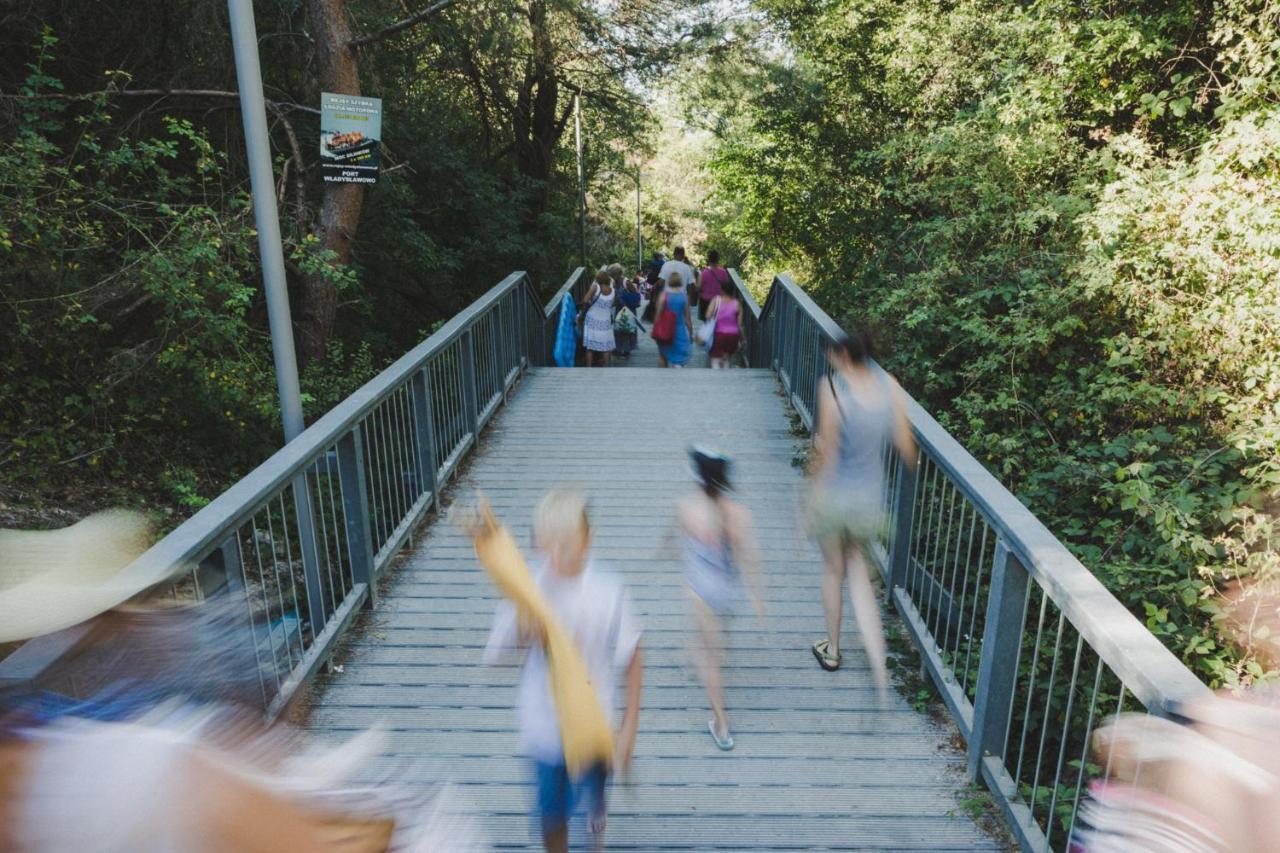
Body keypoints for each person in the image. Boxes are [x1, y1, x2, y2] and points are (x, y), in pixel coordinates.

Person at [483, 488, 643, 853]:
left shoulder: (608, 592)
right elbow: (495, 652)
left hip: (593, 724)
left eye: (566, 542)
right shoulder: (527, 590)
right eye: (546, 543)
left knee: (595, 795)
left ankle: (595, 831)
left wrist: (629, 726)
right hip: (545, 727)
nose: (555, 554)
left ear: (587, 539)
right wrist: (523, 631)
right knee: (550, 814)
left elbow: (632, 655)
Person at [806, 329, 915, 700]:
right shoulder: (890, 386)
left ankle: (833, 650)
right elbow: (906, 448)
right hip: (870, 500)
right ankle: (880, 670)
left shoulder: (833, 390)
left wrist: (811, 497)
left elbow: (828, 454)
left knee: (833, 572)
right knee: (860, 578)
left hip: (837, 499)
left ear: (843, 356)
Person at [677, 449, 764, 751]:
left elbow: (671, 540)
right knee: (713, 641)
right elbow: (749, 558)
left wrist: (658, 554)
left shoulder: (688, 509)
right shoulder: (738, 514)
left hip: (700, 590)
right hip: (726, 591)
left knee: (710, 657)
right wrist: (756, 595)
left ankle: (721, 724)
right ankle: (698, 651)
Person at [653, 270, 693, 368]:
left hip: (665, 330)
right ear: (680, 281)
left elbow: (658, 315)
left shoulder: (663, 296)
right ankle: (677, 378)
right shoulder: (684, 297)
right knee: (678, 360)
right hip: (679, 331)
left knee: (663, 356)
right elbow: (687, 319)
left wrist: (655, 329)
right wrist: (691, 333)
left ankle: (663, 379)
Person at [579, 269, 616, 368]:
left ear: (598, 279)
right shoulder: (613, 291)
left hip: (592, 320)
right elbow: (611, 305)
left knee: (590, 347)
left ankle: (589, 367)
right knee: (605, 347)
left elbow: (585, 300)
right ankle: (606, 367)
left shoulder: (595, 287)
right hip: (605, 321)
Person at [704, 276, 744, 369]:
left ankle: (717, 380)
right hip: (733, 335)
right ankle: (726, 378)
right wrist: (743, 339)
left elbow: (707, 316)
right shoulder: (737, 303)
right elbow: (740, 325)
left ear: (721, 289)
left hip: (718, 334)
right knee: (726, 358)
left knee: (715, 359)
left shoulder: (716, 300)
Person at [696, 251, 730, 321]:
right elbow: (727, 285)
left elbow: (698, 287)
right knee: (718, 321)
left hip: (705, 301)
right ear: (718, 259)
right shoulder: (723, 272)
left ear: (709, 260)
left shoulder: (704, 272)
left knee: (707, 321)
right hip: (719, 301)